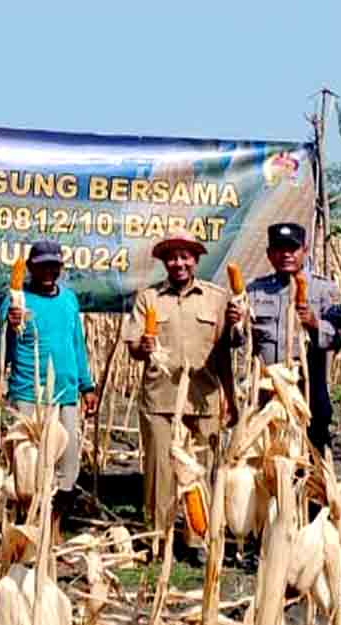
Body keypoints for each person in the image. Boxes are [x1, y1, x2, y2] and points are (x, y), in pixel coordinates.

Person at [125, 228, 235, 565]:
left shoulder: (217, 298)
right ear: (163, 261)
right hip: (161, 399)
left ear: (196, 259)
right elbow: (134, 349)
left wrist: (231, 396)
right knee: (160, 473)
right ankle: (158, 538)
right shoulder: (148, 299)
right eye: (171, 256)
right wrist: (143, 348)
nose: (178, 262)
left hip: (204, 399)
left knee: (202, 472)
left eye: (185, 255)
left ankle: (198, 539)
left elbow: (225, 351)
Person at [0, 240, 98, 534]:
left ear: (61, 267)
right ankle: (27, 529)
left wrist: (86, 385)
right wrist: (10, 326)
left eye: (54, 265)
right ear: (30, 268)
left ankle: (53, 528)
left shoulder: (69, 299)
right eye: (41, 266)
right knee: (28, 468)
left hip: (65, 395)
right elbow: (2, 352)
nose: (48, 271)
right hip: (29, 395)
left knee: (66, 467)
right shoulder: (15, 302)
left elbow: (76, 343)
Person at [227, 222, 341, 453]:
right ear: (269, 254)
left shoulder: (325, 290)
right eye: (280, 249)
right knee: (267, 460)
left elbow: (340, 340)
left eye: (292, 249)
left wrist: (314, 324)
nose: (286, 255)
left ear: (305, 250)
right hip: (266, 393)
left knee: (313, 460)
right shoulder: (254, 290)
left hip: (308, 392)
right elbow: (237, 342)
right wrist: (236, 324)